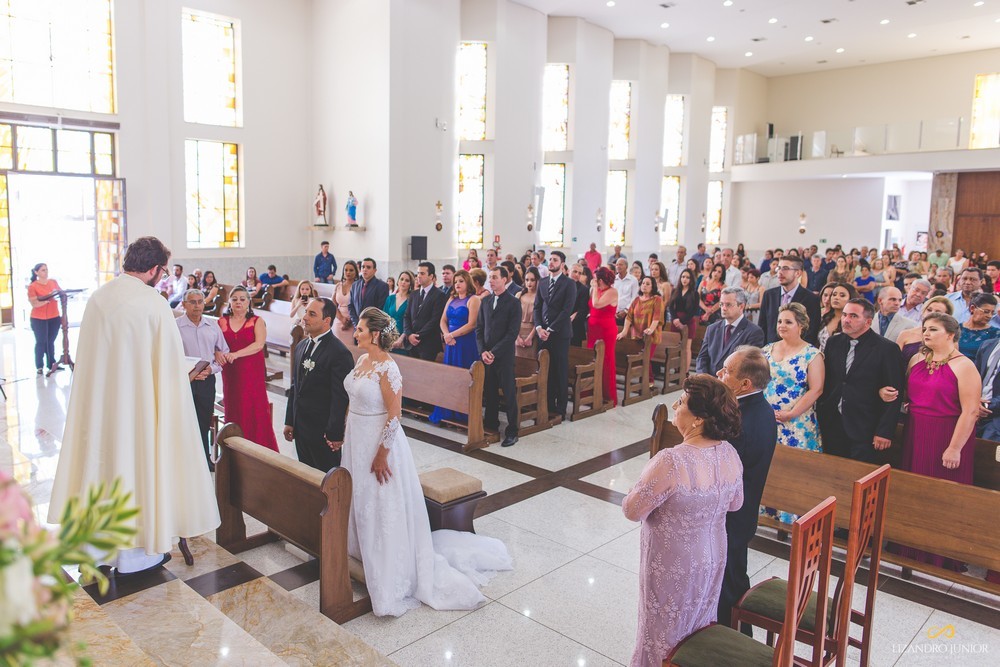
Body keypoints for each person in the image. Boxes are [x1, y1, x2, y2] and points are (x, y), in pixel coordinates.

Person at [48, 236, 219, 576]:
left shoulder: (99, 298)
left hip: (101, 408)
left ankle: (95, 547)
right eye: (163, 271)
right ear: (154, 269)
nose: (162, 277)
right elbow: (169, 365)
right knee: (137, 468)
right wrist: (188, 376)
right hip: (139, 410)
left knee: (101, 468)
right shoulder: (153, 303)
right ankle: (136, 555)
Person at [341, 307, 511, 616]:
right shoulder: (362, 360)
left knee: (379, 500)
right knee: (360, 498)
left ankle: (388, 564)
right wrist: (346, 433)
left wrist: (381, 454)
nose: (356, 333)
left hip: (379, 444)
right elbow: (353, 401)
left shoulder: (388, 368)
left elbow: (395, 415)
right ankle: (361, 550)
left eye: (361, 329)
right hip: (356, 439)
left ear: (375, 334)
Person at [623, 375, 744, 666]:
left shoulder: (671, 461)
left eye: (681, 402)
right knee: (698, 626)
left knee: (662, 631)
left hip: (673, 563)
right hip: (713, 557)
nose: (676, 407)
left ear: (698, 419)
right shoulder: (729, 453)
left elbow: (632, 510)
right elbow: (736, 504)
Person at [883, 313, 980, 570]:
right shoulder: (916, 359)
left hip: (947, 434)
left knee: (942, 495)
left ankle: (940, 555)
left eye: (933, 329)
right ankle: (909, 548)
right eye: (925, 328)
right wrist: (886, 392)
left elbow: (971, 411)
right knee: (914, 490)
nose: (925, 333)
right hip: (916, 431)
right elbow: (905, 393)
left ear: (950, 334)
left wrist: (954, 448)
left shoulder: (964, 365)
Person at [714, 347, 777, 633]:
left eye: (727, 371)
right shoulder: (760, 408)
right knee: (735, 578)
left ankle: (731, 642)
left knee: (728, 584)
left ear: (745, 384)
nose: (719, 373)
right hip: (744, 512)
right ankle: (740, 635)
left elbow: (720, 474)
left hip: (732, 515)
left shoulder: (742, 421)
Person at [817, 298, 902, 463]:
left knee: (859, 474)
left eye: (853, 316)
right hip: (832, 422)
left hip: (865, 426)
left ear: (868, 322)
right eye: (845, 315)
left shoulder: (887, 349)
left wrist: (884, 431)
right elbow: (829, 380)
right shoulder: (834, 342)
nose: (846, 320)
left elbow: (893, 394)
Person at [761, 304, 824, 520]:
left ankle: (792, 518)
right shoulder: (767, 349)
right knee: (768, 466)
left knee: (793, 472)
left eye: (788, 322)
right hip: (768, 419)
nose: (782, 325)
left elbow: (816, 389)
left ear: (801, 326)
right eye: (780, 321)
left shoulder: (812, 354)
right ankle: (767, 513)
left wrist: (791, 413)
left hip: (797, 423)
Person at [283, 297, 354, 472]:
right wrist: (290, 420)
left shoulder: (339, 353)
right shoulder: (300, 346)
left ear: (326, 321)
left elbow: (340, 398)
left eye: (312, 314)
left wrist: (335, 433)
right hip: (300, 427)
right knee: (305, 476)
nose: (305, 317)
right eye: (306, 312)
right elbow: (295, 386)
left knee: (326, 478)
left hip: (323, 433)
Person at [219, 286, 279, 452]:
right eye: (235, 299)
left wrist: (236, 354)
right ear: (229, 302)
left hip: (251, 369)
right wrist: (218, 353)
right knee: (234, 404)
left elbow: (259, 345)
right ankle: (234, 447)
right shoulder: (222, 321)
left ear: (248, 302)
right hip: (231, 371)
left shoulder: (256, 321)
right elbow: (216, 343)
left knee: (253, 405)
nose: (238, 302)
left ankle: (258, 448)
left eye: (242, 299)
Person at [177, 289, 230, 471]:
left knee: (204, 421)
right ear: (184, 304)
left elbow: (223, 353)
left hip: (207, 381)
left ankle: (204, 460)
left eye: (200, 301)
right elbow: (170, 355)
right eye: (192, 302)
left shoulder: (212, 326)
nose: (197, 305)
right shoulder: (176, 326)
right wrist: (188, 372)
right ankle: (183, 461)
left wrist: (211, 369)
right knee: (184, 421)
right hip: (185, 382)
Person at [429, 270, 481, 424]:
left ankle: (463, 414)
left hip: (465, 343)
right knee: (450, 377)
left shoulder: (474, 299)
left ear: (468, 282)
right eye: (456, 281)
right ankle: (448, 411)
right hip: (451, 344)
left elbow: (472, 324)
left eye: (461, 281)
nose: (457, 284)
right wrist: (446, 334)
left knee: (464, 378)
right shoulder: (452, 298)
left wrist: (452, 335)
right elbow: (442, 320)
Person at [478, 267, 522, 447]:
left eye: (495, 277)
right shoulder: (485, 301)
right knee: (490, 392)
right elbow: (479, 329)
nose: (491, 280)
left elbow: (512, 333)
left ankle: (512, 431)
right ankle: (491, 425)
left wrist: (493, 352)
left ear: (504, 279)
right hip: (487, 356)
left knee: (509, 393)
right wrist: (483, 351)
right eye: (490, 277)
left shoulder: (513, 302)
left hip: (503, 356)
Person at [535, 251, 576, 418]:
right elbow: (537, 307)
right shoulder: (543, 282)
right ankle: (548, 403)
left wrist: (550, 329)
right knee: (546, 369)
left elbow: (567, 310)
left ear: (562, 264)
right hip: (542, 333)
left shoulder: (569, 283)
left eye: (555, 260)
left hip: (559, 334)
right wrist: (539, 327)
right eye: (550, 259)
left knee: (559, 370)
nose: (551, 262)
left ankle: (560, 408)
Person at [696, 287, 764, 376]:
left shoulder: (754, 332)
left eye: (728, 305)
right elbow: (702, 358)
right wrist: (704, 378)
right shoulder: (711, 329)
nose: (723, 308)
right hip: (709, 381)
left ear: (741, 306)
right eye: (721, 304)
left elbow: (749, 366)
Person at [758, 256, 822, 346]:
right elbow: (762, 326)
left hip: (798, 351)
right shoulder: (769, 295)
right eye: (779, 268)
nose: (780, 272)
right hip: (771, 350)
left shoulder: (811, 299)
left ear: (798, 273)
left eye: (785, 268)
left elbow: (811, 331)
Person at [618, 276, 664, 381]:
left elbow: (657, 318)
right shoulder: (636, 300)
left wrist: (650, 329)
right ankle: (645, 381)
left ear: (653, 286)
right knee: (640, 359)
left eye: (648, 284)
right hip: (637, 334)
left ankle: (649, 381)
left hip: (651, 336)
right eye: (643, 283)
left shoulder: (657, 299)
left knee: (645, 358)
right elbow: (629, 317)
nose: (644, 286)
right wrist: (624, 331)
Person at [588, 267, 619, 407]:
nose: (593, 281)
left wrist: (594, 288)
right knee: (592, 358)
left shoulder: (612, 291)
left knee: (606, 360)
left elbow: (596, 304)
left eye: (595, 279)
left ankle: (607, 394)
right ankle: (591, 392)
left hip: (606, 330)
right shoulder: (598, 290)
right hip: (593, 329)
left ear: (600, 280)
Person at [404, 261, 448, 361]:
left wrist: (418, 336)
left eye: (422, 273)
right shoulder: (413, 294)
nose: (418, 276)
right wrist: (409, 334)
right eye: (418, 273)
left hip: (428, 344)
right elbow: (407, 316)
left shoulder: (439, 295)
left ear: (431, 276)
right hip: (411, 343)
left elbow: (435, 320)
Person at [897, 295, 954, 368]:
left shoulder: (949, 339)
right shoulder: (905, 334)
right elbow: (894, 361)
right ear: (923, 311)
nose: (931, 314)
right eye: (929, 310)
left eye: (937, 312)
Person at [27, 263, 63, 375]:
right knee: (41, 342)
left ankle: (52, 363)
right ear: (36, 272)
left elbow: (60, 293)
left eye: (46, 269)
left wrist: (58, 295)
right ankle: (39, 366)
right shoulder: (33, 286)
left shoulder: (53, 282)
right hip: (38, 318)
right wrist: (47, 300)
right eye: (43, 270)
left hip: (54, 316)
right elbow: (34, 303)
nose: (46, 272)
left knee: (50, 341)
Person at [668, 268, 700, 370]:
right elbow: (671, 306)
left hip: (688, 322)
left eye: (687, 277)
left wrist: (682, 321)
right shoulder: (675, 291)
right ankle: (676, 369)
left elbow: (694, 310)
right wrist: (675, 319)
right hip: (675, 321)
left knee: (686, 347)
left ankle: (685, 371)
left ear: (691, 279)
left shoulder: (694, 293)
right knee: (675, 346)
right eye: (683, 277)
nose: (684, 279)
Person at [816, 282, 859, 353]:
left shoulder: (854, 322)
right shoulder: (825, 318)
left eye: (842, 295)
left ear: (851, 298)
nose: (836, 298)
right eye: (834, 294)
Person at [349, 258, 390, 329]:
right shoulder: (355, 285)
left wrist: (368, 326)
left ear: (374, 270)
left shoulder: (382, 286)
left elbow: (381, 309)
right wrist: (356, 324)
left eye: (368, 267)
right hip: (357, 327)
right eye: (363, 267)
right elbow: (351, 306)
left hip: (372, 328)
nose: (365, 269)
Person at [958, 293, 1000, 361]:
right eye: (986, 311)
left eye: (992, 313)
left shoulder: (995, 334)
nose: (989, 316)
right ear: (972, 308)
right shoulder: (956, 329)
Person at [975, 336, 1000, 441]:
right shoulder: (987, 344)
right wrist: (973, 402)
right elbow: (974, 377)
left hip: (995, 418)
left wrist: (985, 406)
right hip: (974, 411)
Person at [383, 270, 414, 354]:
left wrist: (401, 338)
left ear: (410, 284)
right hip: (388, 338)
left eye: (407, 280)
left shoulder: (412, 300)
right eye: (401, 279)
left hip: (404, 339)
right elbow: (384, 319)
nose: (403, 282)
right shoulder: (390, 298)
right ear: (398, 281)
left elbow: (411, 322)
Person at [515, 267, 540, 358]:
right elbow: (513, 318)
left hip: (533, 332)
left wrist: (530, 337)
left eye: (532, 280)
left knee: (530, 361)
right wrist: (517, 337)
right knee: (517, 361)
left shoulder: (539, 296)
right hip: (518, 331)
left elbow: (539, 320)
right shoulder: (519, 295)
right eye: (527, 280)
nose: (529, 283)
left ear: (537, 281)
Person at [333, 260, 358, 346]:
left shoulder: (358, 286)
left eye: (351, 270)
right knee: (337, 347)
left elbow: (360, 305)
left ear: (356, 272)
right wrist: (341, 318)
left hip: (353, 322)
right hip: (339, 320)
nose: (348, 272)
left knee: (350, 349)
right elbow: (333, 304)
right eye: (346, 270)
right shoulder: (338, 285)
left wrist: (349, 321)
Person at [570, 263, 591, 346]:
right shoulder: (560, 284)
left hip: (575, 327)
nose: (577, 275)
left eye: (579, 273)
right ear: (569, 271)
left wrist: (576, 314)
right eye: (575, 271)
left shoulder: (584, 290)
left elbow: (583, 309)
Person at [614, 258, 639, 323]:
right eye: (617, 265)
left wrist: (625, 311)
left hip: (628, 313)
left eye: (620, 264)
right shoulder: (613, 280)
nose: (618, 266)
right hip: (614, 313)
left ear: (626, 267)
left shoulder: (633, 280)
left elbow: (635, 298)